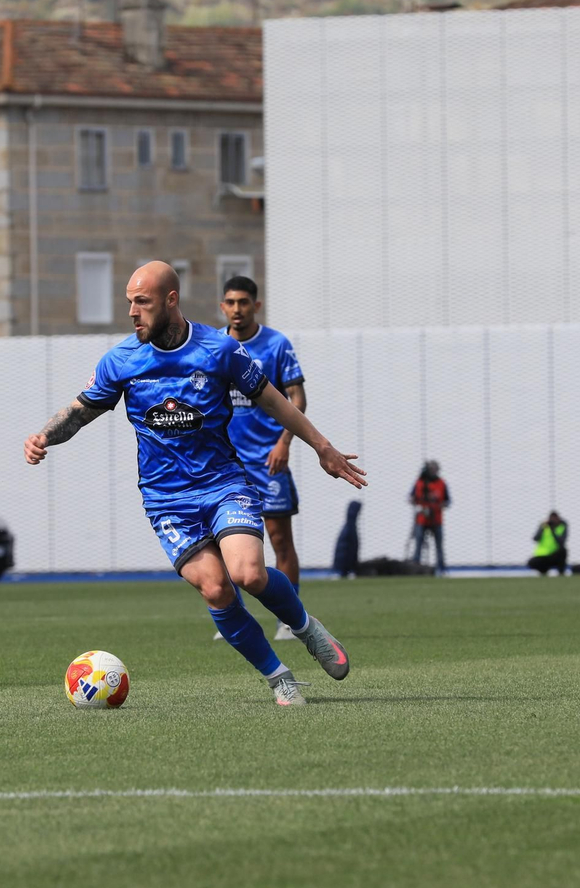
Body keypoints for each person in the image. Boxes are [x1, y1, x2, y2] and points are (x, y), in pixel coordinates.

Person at [24, 261, 366, 707]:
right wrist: (43, 436)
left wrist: (322, 446)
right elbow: (80, 411)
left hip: (224, 483)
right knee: (216, 587)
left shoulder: (218, 350)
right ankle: (279, 677)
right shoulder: (121, 360)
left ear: (171, 300)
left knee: (248, 573)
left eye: (141, 302)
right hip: (166, 500)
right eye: (129, 302)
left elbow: (276, 401)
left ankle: (307, 628)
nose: (132, 312)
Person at [221, 275, 306, 640]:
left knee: (279, 539)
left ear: (256, 305)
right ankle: (232, 614)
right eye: (230, 302)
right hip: (225, 462)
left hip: (268, 458)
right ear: (222, 306)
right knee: (223, 538)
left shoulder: (276, 344)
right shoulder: (214, 345)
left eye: (243, 302)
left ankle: (289, 617)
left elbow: (296, 397)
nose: (237, 309)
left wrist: (284, 442)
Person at [410, 461, 450, 574]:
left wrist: (438, 505)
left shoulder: (442, 483)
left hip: (436, 519)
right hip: (422, 519)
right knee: (418, 544)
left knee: (439, 545)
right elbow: (412, 498)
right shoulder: (419, 483)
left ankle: (441, 568)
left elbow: (447, 501)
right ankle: (415, 568)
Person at [527, 512, 568, 576]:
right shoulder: (544, 526)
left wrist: (553, 530)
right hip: (543, 555)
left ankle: (561, 572)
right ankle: (543, 570)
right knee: (531, 562)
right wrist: (542, 528)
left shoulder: (562, 527)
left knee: (563, 551)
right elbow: (535, 538)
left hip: (554, 555)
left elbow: (561, 542)